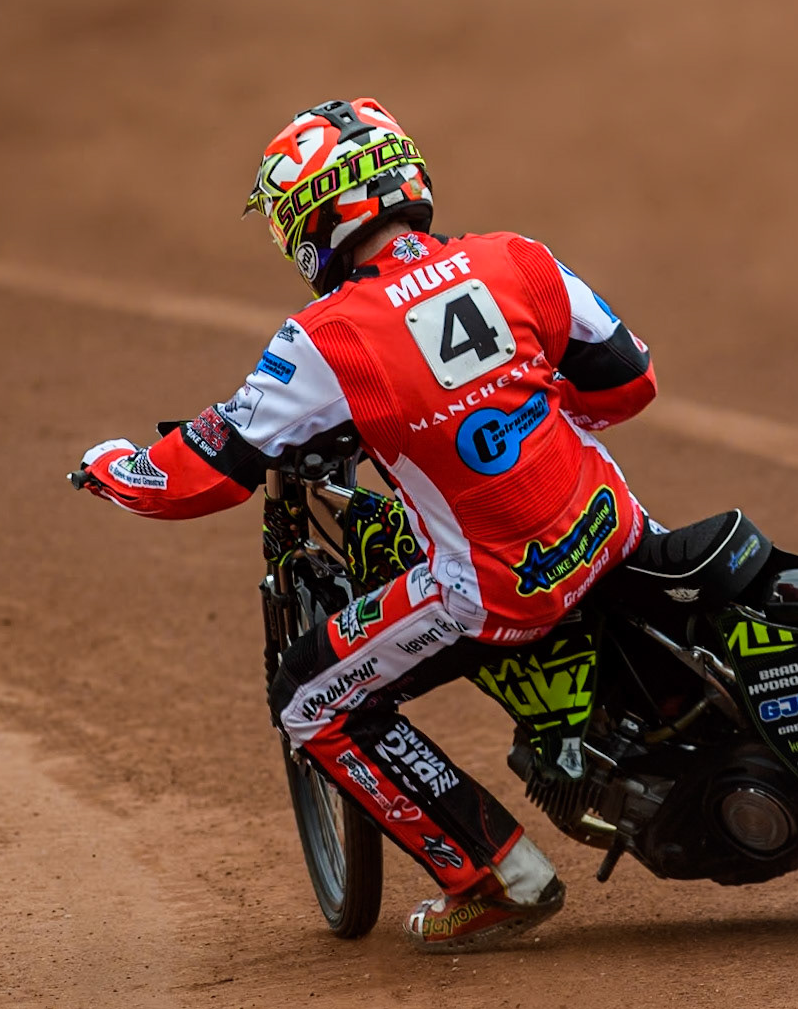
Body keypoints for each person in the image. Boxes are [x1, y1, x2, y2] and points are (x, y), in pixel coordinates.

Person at [72, 98, 657, 951]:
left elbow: (206, 471)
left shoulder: (329, 336)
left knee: (309, 699)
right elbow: (628, 382)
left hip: (498, 589)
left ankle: (499, 877)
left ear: (316, 219)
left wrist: (114, 468)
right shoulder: (515, 256)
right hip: (615, 531)